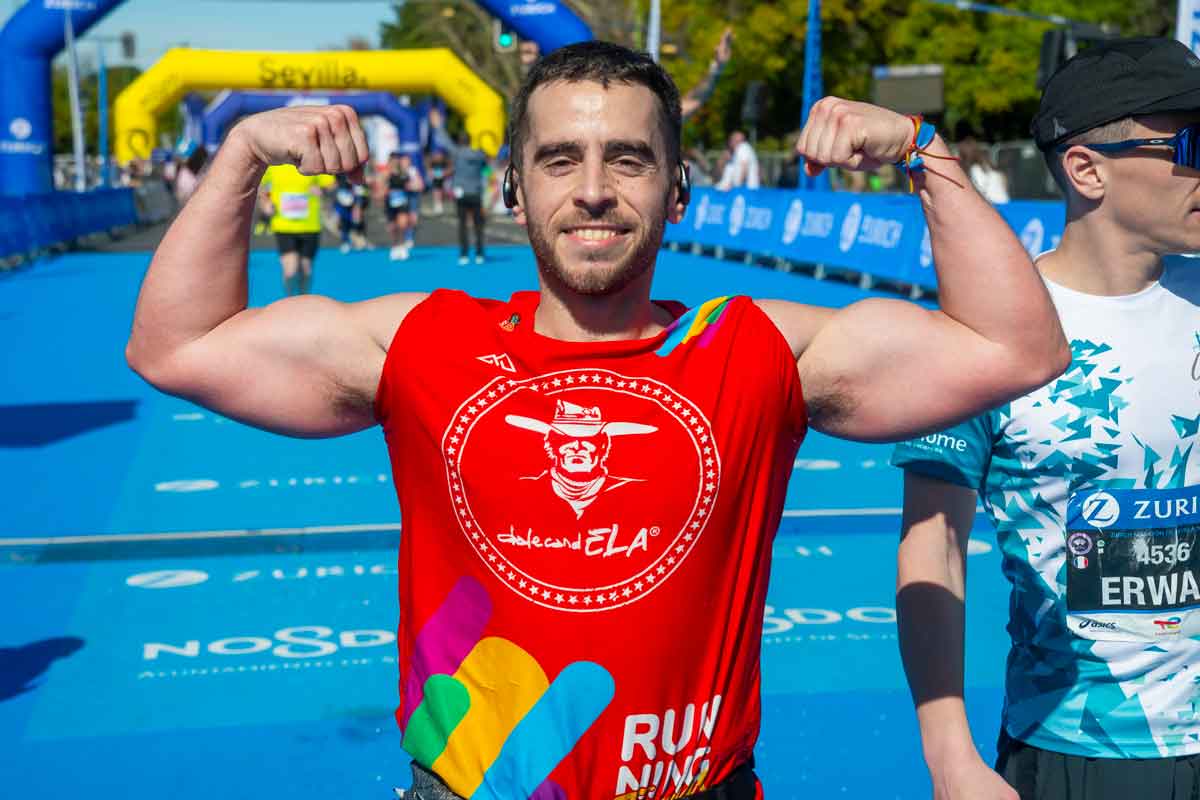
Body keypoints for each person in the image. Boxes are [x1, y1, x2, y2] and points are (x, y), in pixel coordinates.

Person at [126, 41, 1067, 800]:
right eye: (559, 159)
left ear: (678, 187)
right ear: (512, 186)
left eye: (628, 159)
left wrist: (922, 150)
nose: (592, 190)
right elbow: (177, 346)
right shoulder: (423, 341)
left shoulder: (754, 348)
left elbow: (1015, 351)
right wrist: (241, 154)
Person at [890, 37, 1200, 800]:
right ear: (1087, 170)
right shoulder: (982, 337)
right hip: (1077, 746)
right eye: (1190, 147)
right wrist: (950, 759)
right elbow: (934, 548)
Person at [257, 162, 334, 295]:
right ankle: (290, 300)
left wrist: (322, 189)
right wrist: (265, 202)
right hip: (283, 226)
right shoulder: (274, 163)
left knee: (306, 270)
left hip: (310, 226)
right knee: (290, 271)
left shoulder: (312, 161)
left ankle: (303, 301)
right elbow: (260, 185)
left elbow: (331, 185)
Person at [449, 130, 489, 265]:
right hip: (475, 192)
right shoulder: (479, 154)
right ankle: (479, 254)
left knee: (462, 224)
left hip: (461, 193)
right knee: (478, 224)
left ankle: (464, 254)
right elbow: (485, 167)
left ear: (460, 142)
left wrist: (438, 128)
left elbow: (445, 142)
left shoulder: (457, 153)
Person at [381, 152, 423, 262]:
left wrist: (411, 186)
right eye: (393, 161)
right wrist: (385, 191)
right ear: (390, 162)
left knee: (402, 225)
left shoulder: (404, 173)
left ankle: (402, 246)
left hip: (402, 202)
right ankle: (395, 246)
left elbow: (415, 185)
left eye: (397, 161)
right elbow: (380, 188)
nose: (395, 163)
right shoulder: (386, 173)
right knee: (392, 227)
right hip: (390, 204)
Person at [957, 136, 1009, 204]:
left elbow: (980, 192)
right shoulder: (988, 165)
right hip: (1005, 202)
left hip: (994, 204)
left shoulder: (975, 170)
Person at [332, 173, 371, 254]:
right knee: (343, 221)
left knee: (357, 219)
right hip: (343, 198)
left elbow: (362, 189)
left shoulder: (357, 174)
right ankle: (345, 241)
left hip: (356, 197)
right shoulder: (339, 175)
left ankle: (360, 238)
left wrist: (359, 204)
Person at [427, 149, 450, 215]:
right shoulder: (432, 162)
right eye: (436, 155)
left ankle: (441, 203)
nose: (438, 156)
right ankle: (437, 204)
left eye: (439, 155)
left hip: (444, 179)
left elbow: (449, 170)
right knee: (436, 191)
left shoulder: (445, 162)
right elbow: (429, 170)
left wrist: (444, 173)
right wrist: (432, 173)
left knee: (443, 191)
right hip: (435, 179)